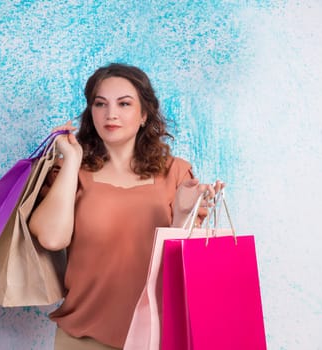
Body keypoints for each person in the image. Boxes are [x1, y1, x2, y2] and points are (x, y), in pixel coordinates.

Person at [29, 63, 224, 349]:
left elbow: (181, 268)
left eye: (124, 104)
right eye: (100, 104)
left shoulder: (176, 173)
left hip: (158, 334)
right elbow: (52, 238)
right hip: (83, 335)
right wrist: (71, 161)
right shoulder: (69, 173)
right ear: (90, 112)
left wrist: (183, 213)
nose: (111, 114)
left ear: (144, 114)